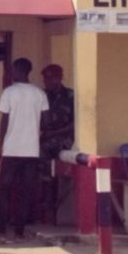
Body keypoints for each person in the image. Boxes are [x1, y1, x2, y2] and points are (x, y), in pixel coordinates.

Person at [0, 57, 50, 240]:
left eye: (12, 70)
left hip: (11, 149)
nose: (10, 73)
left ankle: (0, 230)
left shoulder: (9, 92)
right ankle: (19, 231)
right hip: (31, 150)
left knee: (4, 190)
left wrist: (0, 144)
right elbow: (46, 122)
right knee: (25, 192)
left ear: (19, 71)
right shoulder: (39, 94)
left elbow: (4, 121)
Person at [40, 63, 77, 223]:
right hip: (45, 136)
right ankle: (45, 195)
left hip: (63, 137)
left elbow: (75, 123)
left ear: (59, 77)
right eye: (45, 78)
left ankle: (48, 198)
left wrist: (53, 134)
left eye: (50, 78)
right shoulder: (42, 95)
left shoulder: (70, 96)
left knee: (43, 150)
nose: (47, 81)